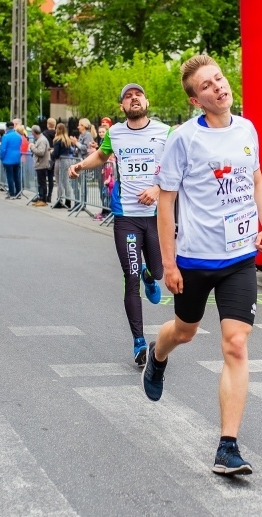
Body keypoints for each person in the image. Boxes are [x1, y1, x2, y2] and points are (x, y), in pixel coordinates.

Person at [142, 55, 262, 476]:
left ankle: (227, 446)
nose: (218, 87)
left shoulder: (247, 128)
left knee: (236, 343)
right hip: (195, 259)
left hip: (239, 258)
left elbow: (256, 180)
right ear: (196, 99)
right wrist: (168, 263)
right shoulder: (183, 139)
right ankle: (158, 354)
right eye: (206, 85)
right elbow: (166, 201)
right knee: (185, 331)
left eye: (218, 78)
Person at [69, 83, 169, 365]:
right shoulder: (115, 133)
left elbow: (178, 167)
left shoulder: (165, 132)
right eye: (128, 96)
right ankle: (138, 342)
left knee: (157, 272)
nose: (134, 98)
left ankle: (151, 274)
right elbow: (101, 155)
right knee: (131, 275)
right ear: (122, 107)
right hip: (126, 216)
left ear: (146, 101)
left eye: (138, 94)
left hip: (155, 216)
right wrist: (80, 166)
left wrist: (158, 190)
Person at [51, 123, 75, 208]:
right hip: (68, 160)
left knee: (59, 181)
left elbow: (56, 154)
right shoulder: (67, 139)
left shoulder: (57, 140)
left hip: (60, 161)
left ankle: (59, 200)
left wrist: (52, 152)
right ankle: (68, 201)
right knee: (66, 181)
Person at [0, 122, 22, 199]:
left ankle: (11, 193)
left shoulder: (5, 136)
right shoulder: (18, 136)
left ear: (7, 127)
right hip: (17, 158)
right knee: (16, 176)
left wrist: (1, 157)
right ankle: (18, 193)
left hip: (8, 159)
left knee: (10, 176)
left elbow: (3, 149)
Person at [30, 125, 50, 206]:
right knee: (40, 182)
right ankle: (40, 197)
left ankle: (43, 199)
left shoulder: (42, 140)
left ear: (34, 132)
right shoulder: (40, 139)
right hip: (40, 163)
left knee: (42, 182)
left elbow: (41, 152)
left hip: (42, 163)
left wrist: (32, 147)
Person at [43, 118, 57, 202]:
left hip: (46, 156)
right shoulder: (57, 134)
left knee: (44, 177)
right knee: (51, 177)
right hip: (54, 157)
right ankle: (49, 196)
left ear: (48, 124)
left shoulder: (44, 134)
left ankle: (43, 195)